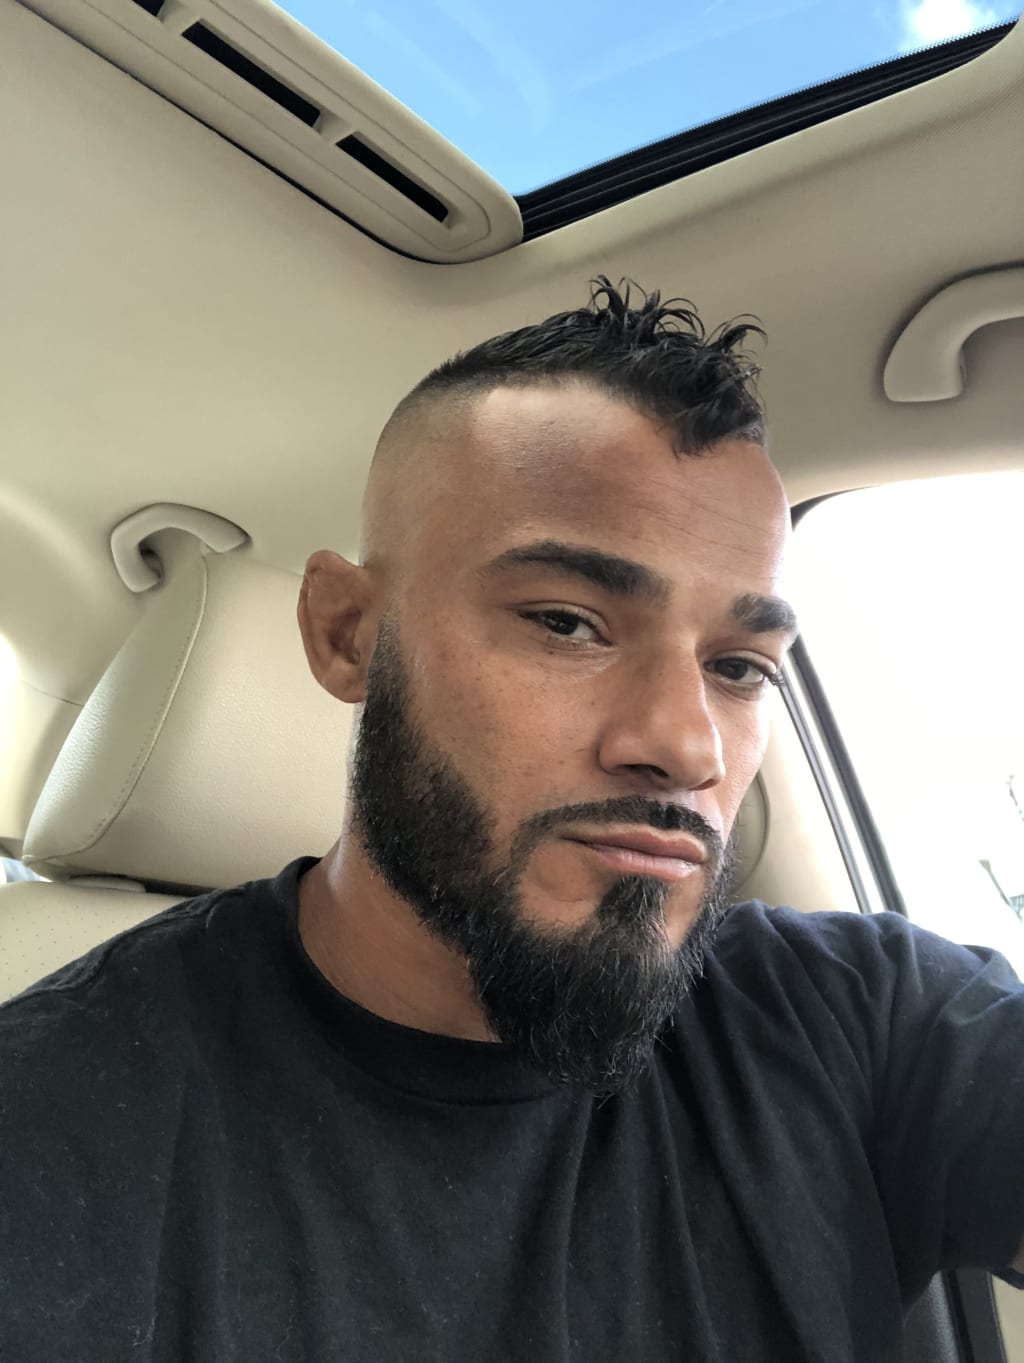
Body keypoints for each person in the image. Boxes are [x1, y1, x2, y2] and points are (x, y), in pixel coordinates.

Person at [1, 280, 1022, 1362]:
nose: (689, 745)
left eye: (737, 667)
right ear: (347, 634)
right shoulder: (50, 1135)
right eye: (568, 623)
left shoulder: (863, 1013)